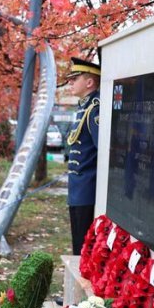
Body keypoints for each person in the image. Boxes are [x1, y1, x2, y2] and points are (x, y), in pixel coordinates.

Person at [65, 56, 101, 256]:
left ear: (89, 82)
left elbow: (101, 150)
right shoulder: (83, 107)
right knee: (78, 244)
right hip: (78, 188)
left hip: (87, 189)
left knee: (83, 249)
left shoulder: (94, 109)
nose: (70, 82)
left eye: (74, 78)